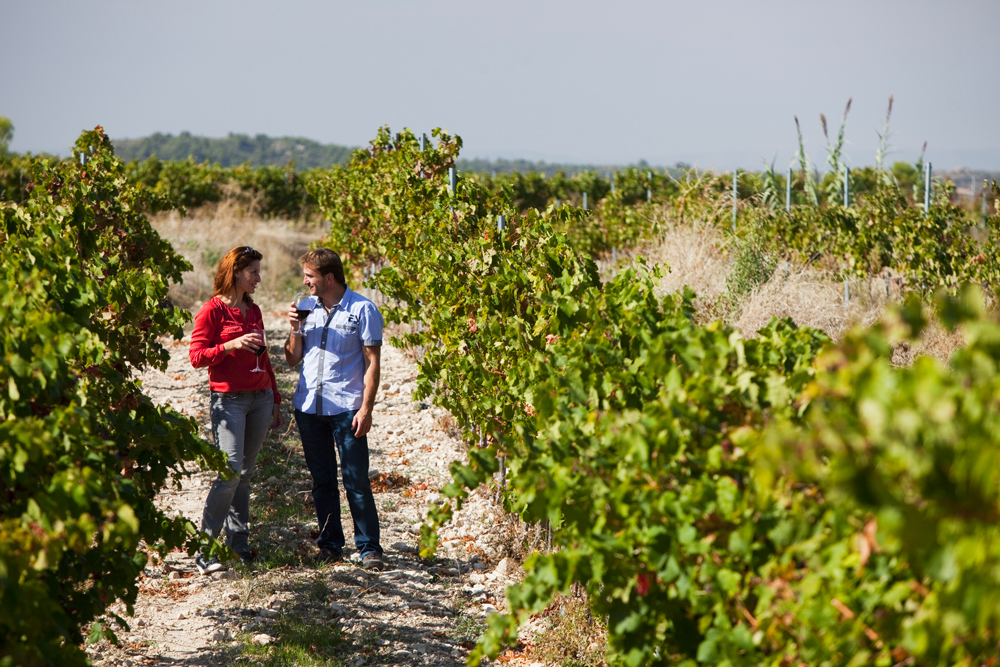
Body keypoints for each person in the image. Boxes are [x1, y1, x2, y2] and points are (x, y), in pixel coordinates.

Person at [284, 248, 384, 570]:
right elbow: (291, 358)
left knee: (355, 478)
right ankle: (330, 545)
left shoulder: (363, 310)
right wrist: (294, 329)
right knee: (322, 479)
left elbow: (373, 364)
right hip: (310, 406)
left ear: (329, 277)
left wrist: (366, 409)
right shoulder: (305, 308)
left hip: (346, 408)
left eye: (310, 276)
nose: (305, 282)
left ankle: (369, 548)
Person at [189, 246, 283, 573]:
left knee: (245, 474)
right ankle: (204, 550)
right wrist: (228, 346)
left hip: (259, 398)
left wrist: (274, 396)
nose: (259, 278)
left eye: (259, 271)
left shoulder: (252, 309)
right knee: (228, 473)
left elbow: (264, 357)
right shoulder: (212, 310)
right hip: (228, 400)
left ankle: (238, 545)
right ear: (236, 272)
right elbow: (197, 356)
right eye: (253, 272)